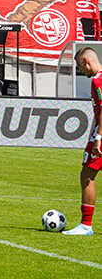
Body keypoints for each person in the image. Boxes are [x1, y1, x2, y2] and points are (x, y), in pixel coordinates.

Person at [68, 46, 102, 235]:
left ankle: (86, 225)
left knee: (87, 175)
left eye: (79, 66)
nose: (80, 71)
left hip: (101, 136)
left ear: (85, 62)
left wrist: (98, 137)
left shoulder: (98, 80)